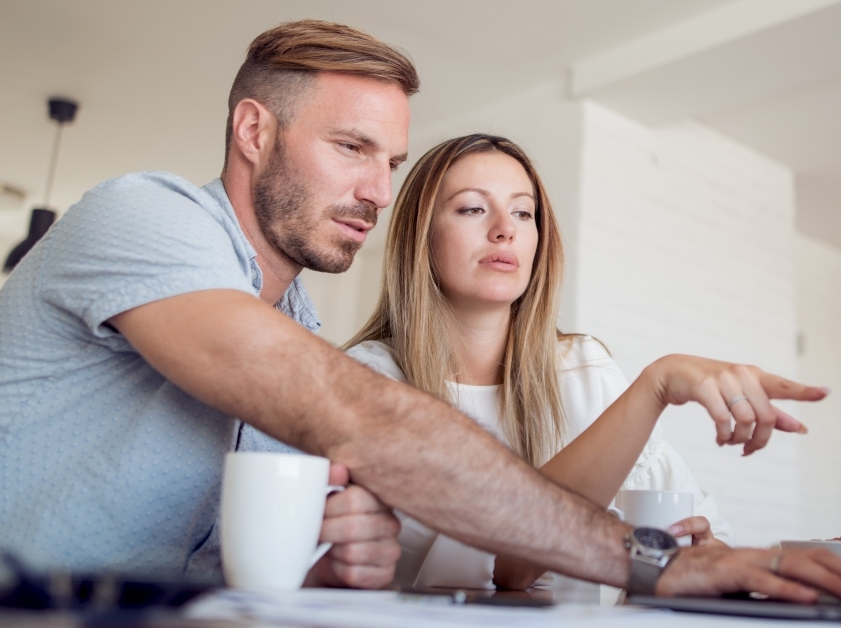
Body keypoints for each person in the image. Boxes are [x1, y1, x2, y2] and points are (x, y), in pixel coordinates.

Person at [0, 19, 841, 605]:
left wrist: (328, 571)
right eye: (352, 148)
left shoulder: (306, 330)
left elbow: (240, 568)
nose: (377, 187)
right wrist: (654, 563)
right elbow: (354, 413)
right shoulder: (146, 216)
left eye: (392, 162)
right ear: (254, 129)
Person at [340, 134, 813, 590]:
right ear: (420, 238)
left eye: (524, 212)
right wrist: (656, 384)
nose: (505, 228)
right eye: (472, 208)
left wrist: (703, 551)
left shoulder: (584, 370)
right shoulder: (366, 379)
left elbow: (694, 526)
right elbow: (511, 561)